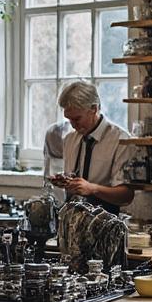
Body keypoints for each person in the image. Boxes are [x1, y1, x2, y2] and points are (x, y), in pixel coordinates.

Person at [46, 81, 138, 212]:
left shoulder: (121, 141)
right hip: (71, 217)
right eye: (69, 119)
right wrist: (65, 181)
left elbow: (126, 196)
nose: (72, 125)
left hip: (104, 222)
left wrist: (92, 189)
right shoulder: (69, 139)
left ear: (94, 108)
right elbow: (75, 178)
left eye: (77, 119)